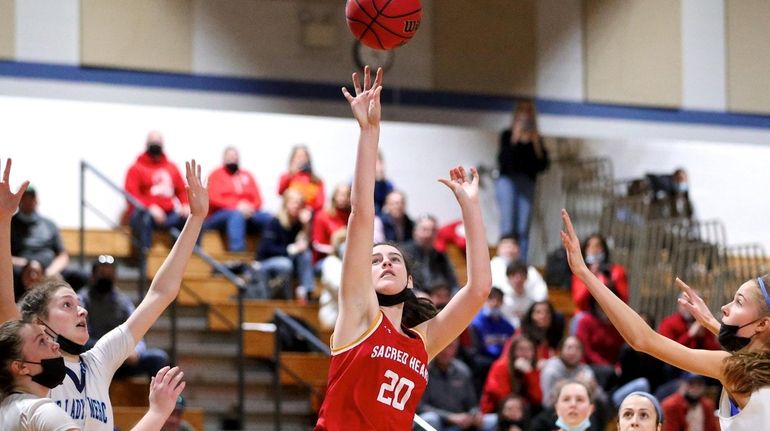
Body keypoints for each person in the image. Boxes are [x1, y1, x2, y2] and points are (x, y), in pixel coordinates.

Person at [314, 67, 492, 430]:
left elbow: (478, 290)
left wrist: (471, 208)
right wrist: (369, 132)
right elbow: (362, 214)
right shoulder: (358, 315)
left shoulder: (423, 341)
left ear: (410, 279)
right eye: (376, 260)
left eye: (394, 258)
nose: (385, 263)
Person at [7, 160, 207, 430]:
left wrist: (195, 219)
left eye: (79, 303)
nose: (82, 310)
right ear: (39, 324)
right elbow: (4, 303)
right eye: (67, 304)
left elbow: (161, 293)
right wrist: (2, 221)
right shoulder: (32, 375)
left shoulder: (99, 360)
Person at [561, 208, 770, 430]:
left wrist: (584, 272)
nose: (725, 307)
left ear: (763, 324)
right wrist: (711, 323)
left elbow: (642, 339)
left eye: (738, 302)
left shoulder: (736, 369)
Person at [0, 320, 185, 431]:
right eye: (42, 341)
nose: (54, 345)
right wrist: (157, 412)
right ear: (20, 366)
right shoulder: (40, 410)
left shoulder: (8, 408)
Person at [77, 255, 170, 379]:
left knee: (159, 358)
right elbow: (82, 337)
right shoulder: (82, 299)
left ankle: (163, 397)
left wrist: (136, 351)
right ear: (93, 275)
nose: (106, 277)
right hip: (96, 358)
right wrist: (113, 350)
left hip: (123, 360)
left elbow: (138, 327)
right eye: (102, 273)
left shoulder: (123, 301)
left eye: (110, 273)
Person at [495, 100, 549, 260]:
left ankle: (521, 264)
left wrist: (536, 142)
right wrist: (515, 137)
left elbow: (543, 165)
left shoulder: (537, 138)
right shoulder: (507, 135)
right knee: (507, 224)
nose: (525, 116)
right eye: (522, 112)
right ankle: (505, 260)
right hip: (508, 181)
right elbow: (504, 161)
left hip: (527, 182)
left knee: (523, 227)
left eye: (528, 112)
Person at [124, 132, 190, 252]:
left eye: (158, 141)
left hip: (169, 214)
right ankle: (145, 258)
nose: (155, 144)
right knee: (143, 217)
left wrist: (186, 204)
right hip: (146, 215)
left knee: (192, 218)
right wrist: (149, 207)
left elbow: (182, 190)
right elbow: (131, 196)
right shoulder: (136, 168)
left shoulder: (172, 167)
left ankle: (188, 258)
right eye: (152, 141)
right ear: (147, 144)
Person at [11, 185, 86, 290]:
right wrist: (27, 265)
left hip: (49, 269)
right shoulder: (8, 224)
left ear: (36, 200)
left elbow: (62, 255)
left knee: (81, 276)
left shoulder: (49, 224)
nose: (28, 201)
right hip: (19, 270)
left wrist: (49, 272)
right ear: (18, 200)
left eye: (31, 197)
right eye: (24, 197)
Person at [204, 146, 271, 252]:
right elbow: (212, 198)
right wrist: (237, 207)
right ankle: (238, 256)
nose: (233, 158)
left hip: (248, 213)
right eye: (230, 156)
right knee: (236, 215)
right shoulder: (215, 175)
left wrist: (250, 208)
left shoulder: (247, 175)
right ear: (224, 158)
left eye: (235, 156)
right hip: (220, 216)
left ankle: (265, 254)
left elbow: (258, 199)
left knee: (269, 218)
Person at [252, 188, 314, 300]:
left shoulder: (299, 224)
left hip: (289, 261)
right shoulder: (274, 222)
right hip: (266, 262)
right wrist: (291, 249)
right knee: (285, 264)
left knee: (306, 255)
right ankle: (286, 299)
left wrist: (306, 226)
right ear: (286, 203)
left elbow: (307, 246)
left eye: (299, 203)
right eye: (294, 202)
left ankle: (307, 292)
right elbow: (266, 249)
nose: (296, 206)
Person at [417, 339, 483, 431]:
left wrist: (475, 413)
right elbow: (420, 406)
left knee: (491, 420)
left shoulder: (463, 371)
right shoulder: (424, 369)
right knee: (431, 419)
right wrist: (449, 417)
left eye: (450, 346)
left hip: (461, 422)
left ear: (456, 349)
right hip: (439, 421)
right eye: (443, 346)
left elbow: (472, 404)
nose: (446, 351)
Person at [480, 335, 542, 416]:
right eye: (520, 349)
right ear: (512, 352)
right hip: (496, 411)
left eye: (529, 350)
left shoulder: (531, 369)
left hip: (523, 412)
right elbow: (502, 397)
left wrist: (529, 374)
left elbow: (537, 398)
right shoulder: (500, 366)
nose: (525, 354)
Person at [490, 234, 547, 315]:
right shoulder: (491, 267)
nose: (509, 250)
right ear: (498, 249)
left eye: (512, 246)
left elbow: (541, 294)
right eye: (506, 246)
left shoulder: (530, 270)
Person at [403, 214, 459, 292]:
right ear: (414, 232)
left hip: (440, 299)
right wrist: (417, 294)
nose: (428, 235)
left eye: (433, 230)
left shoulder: (440, 255)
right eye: (424, 230)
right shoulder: (404, 252)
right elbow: (403, 283)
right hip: (415, 298)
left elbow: (454, 284)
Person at [277, 145, 325, 213]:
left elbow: (320, 202)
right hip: (290, 212)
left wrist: (308, 209)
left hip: (309, 213)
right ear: (292, 159)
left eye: (304, 156)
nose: (301, 159)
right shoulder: (286, 176)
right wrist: (290, 175)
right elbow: (280, 192)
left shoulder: (317, 180)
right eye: (298, 156)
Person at [312, 183, 351, 264]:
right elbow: (316, 244)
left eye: (346, 195)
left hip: (347, 255)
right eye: (340, 194)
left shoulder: (351, 216)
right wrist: (334, 248)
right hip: (325, 258)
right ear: (334, 196)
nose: (342, 198)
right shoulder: (322, 215)